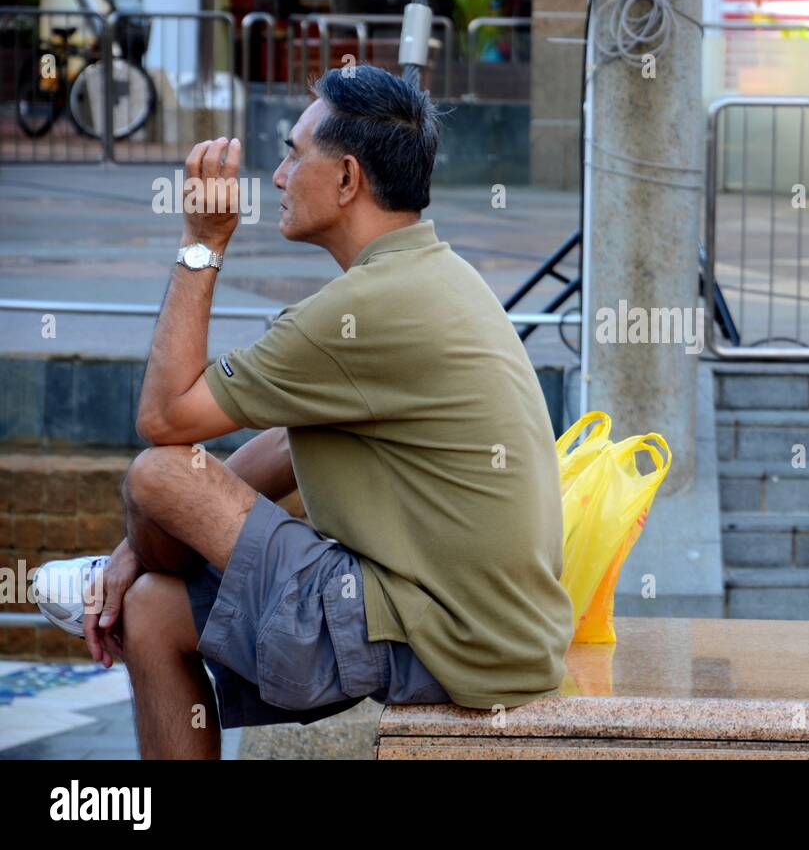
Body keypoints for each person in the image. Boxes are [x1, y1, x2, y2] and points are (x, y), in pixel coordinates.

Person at [30, 66, 574, 759]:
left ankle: (133, 568)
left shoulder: (369, 306)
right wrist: (132, 554)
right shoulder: (430, 275)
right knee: (152, 611)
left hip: (444, 636)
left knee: (156, 477)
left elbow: (165, 418)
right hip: (486, 632)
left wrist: (203, 241)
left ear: (347, 179)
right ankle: (130, 575)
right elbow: (291, 439)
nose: (279, 176)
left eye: (293, 154)